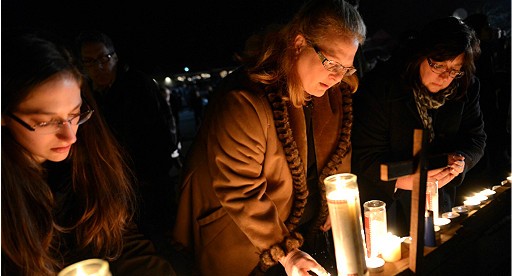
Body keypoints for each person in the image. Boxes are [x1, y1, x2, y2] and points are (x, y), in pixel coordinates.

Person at [172, 0, 366, 275]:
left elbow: (338, 155)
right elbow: (240, 190)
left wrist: (333, 208)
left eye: (346, 68)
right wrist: (285, 252)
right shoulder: (246, 100)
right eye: (331, 62)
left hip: (302, 238)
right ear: (299, 43)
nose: (337, 77)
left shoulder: (333, 96)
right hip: (244, 241)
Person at [1, 32, 175, 275]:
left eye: (74, 114)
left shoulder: (90, 159)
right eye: (45, 122)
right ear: (4, 117)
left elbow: (121, 236)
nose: (71, 136)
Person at [351, 16, 486, 237]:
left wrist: (461, 161)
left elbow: (476, 137)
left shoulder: (465, 87)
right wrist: (403, 181)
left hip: (438, 193)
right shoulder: (382, 87)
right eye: (438, 64)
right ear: (419, 55)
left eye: (455, 69)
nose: (445, 77)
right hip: (387, 200)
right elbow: (364, 156)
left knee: (437, 251)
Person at [74, 30, 180, 252]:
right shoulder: (84, 96)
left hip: (147, 180)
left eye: (104, 58)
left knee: (159, 237)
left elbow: (161, 129)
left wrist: (156, 170)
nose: (99, 66)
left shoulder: (137, 85)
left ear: (115, 57)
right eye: (90, 61)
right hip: (109, 183)